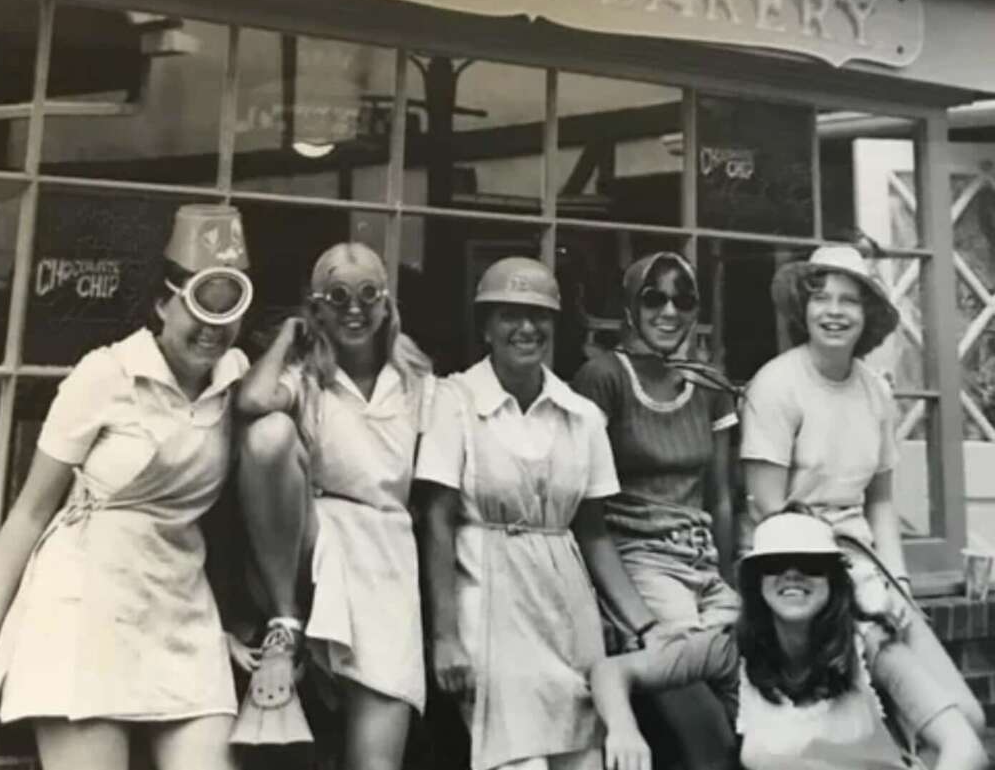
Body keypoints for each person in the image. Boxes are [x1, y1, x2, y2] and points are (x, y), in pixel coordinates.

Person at [0, 203, 258, 770]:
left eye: (230, 309)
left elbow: (249, 497)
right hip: (84, 607)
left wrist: (236, 622)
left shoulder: (237, 380)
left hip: (181, 612)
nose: (213, 328)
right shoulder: (106, 374)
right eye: (200, 306)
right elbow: (31, 511)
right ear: (161, 303)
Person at [416, 256, 650, 770]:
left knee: (584, 760)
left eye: (539, 316)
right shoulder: (454, 402)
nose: (526, 328)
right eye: (509, 315)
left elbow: (594, 534)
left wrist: (644, 623)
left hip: (566, 614)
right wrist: (445, 636)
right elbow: (436, 521)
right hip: (488, 605)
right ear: (486, 326)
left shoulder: (582, 416)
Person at [740, 244, 984, 733]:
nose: (833, 311)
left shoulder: (877, 392)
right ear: (803, 308)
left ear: (867, 314)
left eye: (849, 300)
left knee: (969, 716)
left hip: (865, 565)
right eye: (821, 298)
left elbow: (881, 503)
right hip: (799, 570)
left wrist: (900, 588)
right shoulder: (776, 385)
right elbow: (769, 509)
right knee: (885, 723)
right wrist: (850, 591)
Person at [231, 242, 434, 770]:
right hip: (316, 542)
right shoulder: (305, 379)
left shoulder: (419, 384)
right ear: (317, 306)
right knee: (270, 434)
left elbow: (439, 498)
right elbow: (252, 402)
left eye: (368, 294)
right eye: (337, 295)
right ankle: (286, 620)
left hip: (388, 555)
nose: (354, 308)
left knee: (378, 758)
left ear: (387, 304)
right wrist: (289, 336)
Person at [593, 507, 988, 770]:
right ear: (756, 580)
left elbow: (964, 745)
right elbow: (611, 672)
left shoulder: (870, 649)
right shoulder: (730, 650)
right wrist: (623, 728)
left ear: (834, 582)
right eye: (775, 564)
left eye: (810, 565)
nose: (792, 575)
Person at [570, 251, 739, 769]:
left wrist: (729, 581)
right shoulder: (603, 378)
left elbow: (722, 497)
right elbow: (586, 514)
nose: (670, 311)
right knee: (706, 729)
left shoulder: (708, 385)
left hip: (704, 569)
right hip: (642, 569)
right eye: (654, 298)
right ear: (630, 306)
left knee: (765, 705)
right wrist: (640, 622)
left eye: (683, 299)